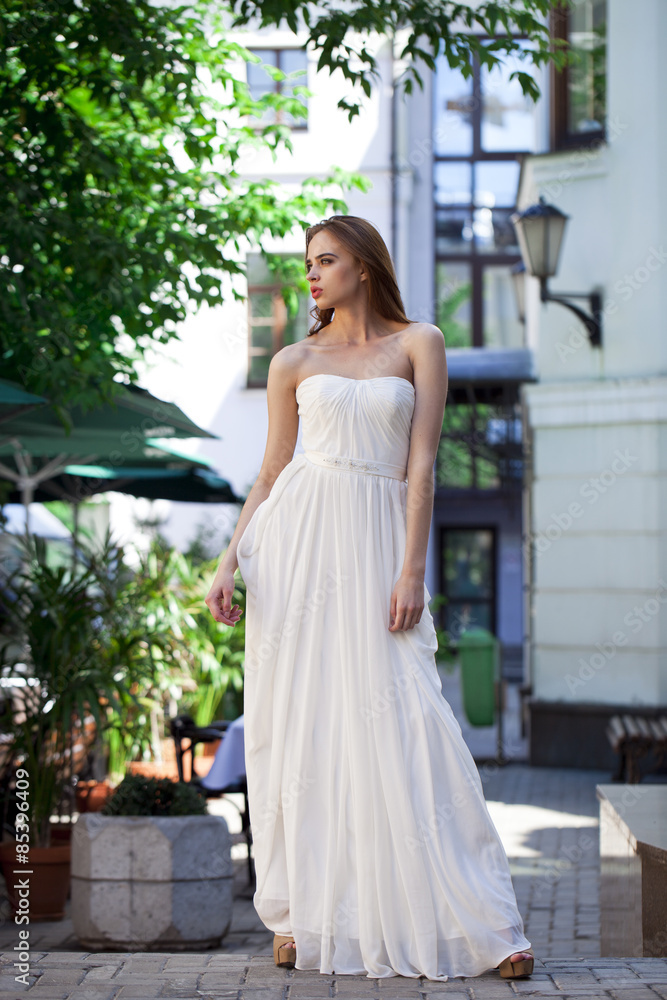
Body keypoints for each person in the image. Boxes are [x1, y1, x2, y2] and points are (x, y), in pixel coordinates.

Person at [205, 215, 534, 982]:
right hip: (298, 551)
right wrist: (227, 563)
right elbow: (270, 472)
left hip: (380, 545)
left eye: (324, 260)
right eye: (307, 263)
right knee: (304, 724)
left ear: (363, 265)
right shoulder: (292, 360)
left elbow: (421, 467)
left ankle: (485, 923)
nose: (310, 275)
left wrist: (411, 570)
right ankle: (301, 915)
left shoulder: (419, 343)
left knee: (411, 718)